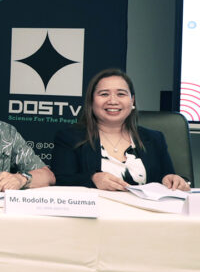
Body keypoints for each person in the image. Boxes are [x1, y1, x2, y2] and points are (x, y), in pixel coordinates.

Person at [52, 69, 190, 190]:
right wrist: (92, 179)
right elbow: (60, 180)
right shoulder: (69, 137)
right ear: (91, 102)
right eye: (104, 94)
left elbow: (168, 178)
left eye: (121, 94)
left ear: (132, 101)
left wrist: (175, 180)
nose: (113, 101)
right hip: (95, 216)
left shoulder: (154, 139)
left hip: (145, 216)